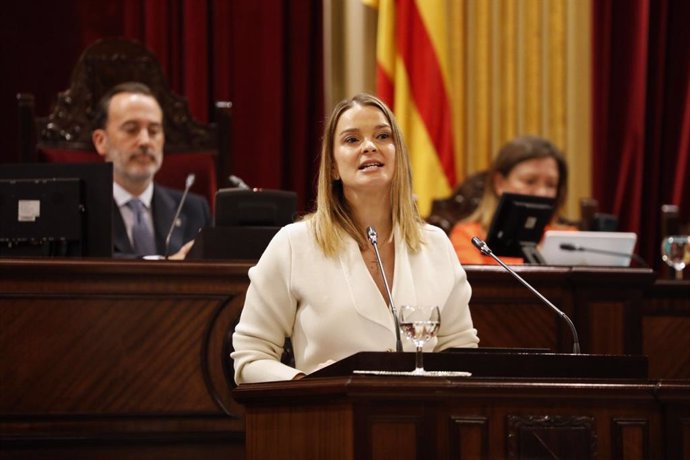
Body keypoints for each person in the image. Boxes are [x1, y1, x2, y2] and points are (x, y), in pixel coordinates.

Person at [231, 93, 479, 384]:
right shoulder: (294, 244)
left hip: (421, 420)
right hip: (328, 420)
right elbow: (251, 357)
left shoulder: (435, 245)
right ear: (333, 167)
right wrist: (309, 384)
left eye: (383, 136)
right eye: (352, 140)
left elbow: (460, 351)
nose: (370, 147)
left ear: (398, 154)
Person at [91, 82, 211, 259]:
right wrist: (165, 266)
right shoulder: (82, 210)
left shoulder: (194, 209)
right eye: (131, 129)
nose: (145, 141)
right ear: (101, 141)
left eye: (154, 130)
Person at [449, 135, 575, 265]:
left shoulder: (567, 238)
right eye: (529, 181)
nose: (541, 193)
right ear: (500, 183)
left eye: (551, 185)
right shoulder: (469, 236)